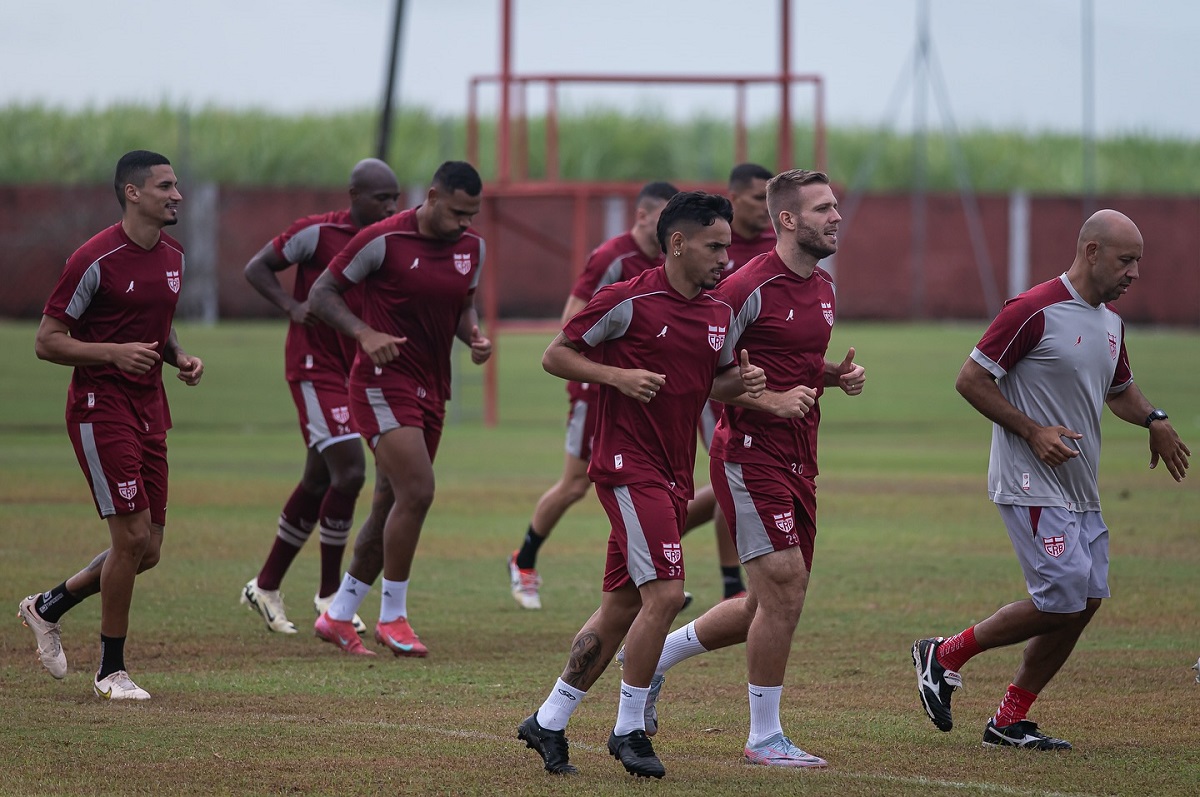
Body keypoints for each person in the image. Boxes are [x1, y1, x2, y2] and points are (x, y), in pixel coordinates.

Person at [912, 209, 1190, 751]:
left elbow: (1120, 391)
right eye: (1125, 260)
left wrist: (1155, 420)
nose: (1134, 273)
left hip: (1080, 487)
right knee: (1062, 596)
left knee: (1084, 601)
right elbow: (970, 380)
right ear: (1091, 252)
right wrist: (1034, 431)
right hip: (1028, 479)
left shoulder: (1111, 324)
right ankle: (944, 654)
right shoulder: (1034, 309)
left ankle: (1009, 719)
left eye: (1139, 262)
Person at [517, 191, 767, 779]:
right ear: (677, 242)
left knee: (621, 605)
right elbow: (556, 355)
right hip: (628, 468)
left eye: (728, 247)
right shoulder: (627, 299)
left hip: (673, 472)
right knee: (664, 596)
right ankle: (629, 729)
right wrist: (615, 375)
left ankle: (548, 721)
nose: (725, 260)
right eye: (714, 247)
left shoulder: (715, 313)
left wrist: (746, 382)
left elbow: (715, 384)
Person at [623, 169, 865, 768]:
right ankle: (764, 737)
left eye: (835, 207)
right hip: (749, 453)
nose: (836, 217)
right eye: (823, 209)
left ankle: (657, 662)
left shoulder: (826, 287)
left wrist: (833, 375)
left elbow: (792, 362)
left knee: (767, 601)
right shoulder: (744, 286)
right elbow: (698, 375)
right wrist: (768, 401)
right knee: (785, 586)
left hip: (801, 457)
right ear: (787, 220)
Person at [17, 150, 204, 700]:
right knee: (129, 538)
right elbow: (47, 341)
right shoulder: (93, 259)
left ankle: (47, 606)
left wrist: (180, 358)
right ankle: (111, 671)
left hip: (151, 408)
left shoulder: (174, 255)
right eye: (166, 186)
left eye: (177, 185)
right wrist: (113, 355)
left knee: (148, 551)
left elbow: (158, 329)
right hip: (100, 408)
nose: (177, 195)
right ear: (133, 193)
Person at [307, 160, 491, 658]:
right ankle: (393, 617)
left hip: (434, 387)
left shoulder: (471, 249)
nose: (464, 224)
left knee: (391, 502)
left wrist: (471, 335)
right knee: (418, 490)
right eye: (456, 212)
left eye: (472, 215)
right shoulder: (383, 240)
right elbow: (321, 293)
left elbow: (462, 305)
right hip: (381, 384)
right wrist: (363, 333)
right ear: (431, 196)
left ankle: (339, 614)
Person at [239, 158, 400, 635]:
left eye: (394, 199)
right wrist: (291, 306)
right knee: (349, 471)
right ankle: (330, 594)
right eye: (381, 198)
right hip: (313, 369)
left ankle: (266, 586)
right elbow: (257, 267)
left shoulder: (385, 241)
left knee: (317, 479)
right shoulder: (316, 233)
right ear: (354, 195)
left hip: (352, 370)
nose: (390, 206)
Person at [507, 181, 677, 610]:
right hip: (596, 387)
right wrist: (616, 373)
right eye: (665, 219)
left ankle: (646, 574)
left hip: (638, 390)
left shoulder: (669, 261)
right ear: (642, 216)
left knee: (642, 480)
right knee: (575, 484)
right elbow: (572, 322)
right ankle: (523, 561)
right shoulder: (611, 258)